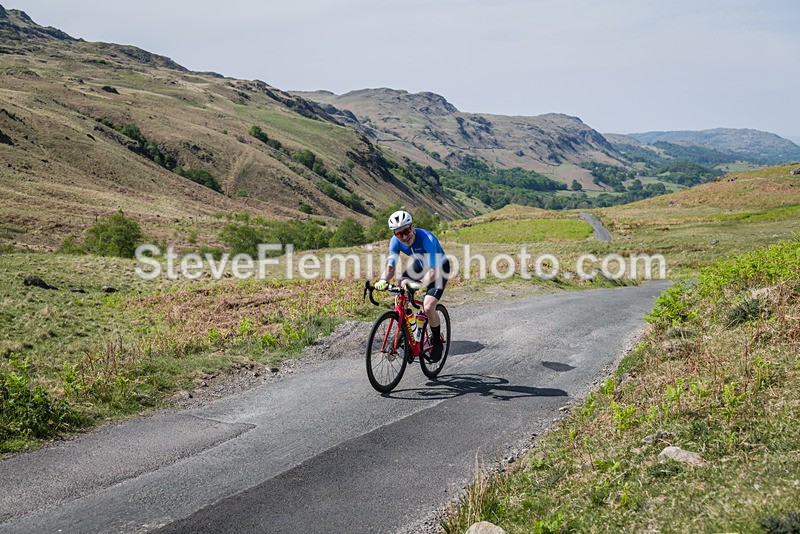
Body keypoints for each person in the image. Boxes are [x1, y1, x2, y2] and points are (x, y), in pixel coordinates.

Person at [375, 210, 450, 362]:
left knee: (428, 307)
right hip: (420, 265)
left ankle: (436, 342)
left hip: (439, 269)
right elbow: (391, 267)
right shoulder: (395, 242)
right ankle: (409, 334)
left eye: (407, 231)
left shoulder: (427, 239)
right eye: (399, 234)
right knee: (401, 289)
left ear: (412, 226)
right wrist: (383, 280)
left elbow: (434, 271)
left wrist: (419, 285)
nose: (404, 236)